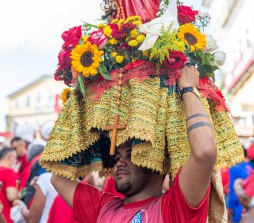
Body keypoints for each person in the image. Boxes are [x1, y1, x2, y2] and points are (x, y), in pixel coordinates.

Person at [51, 66, 217, 222]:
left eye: (130, 154)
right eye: (116, 156)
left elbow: (205, 151)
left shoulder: (174, 208)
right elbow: (58, 177)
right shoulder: (103, 208)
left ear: (156, 159)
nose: (119, 163)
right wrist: (80, 101)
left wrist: (188, 90)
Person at [0, 147, 18, 223]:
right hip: (4, 215)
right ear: (10, 157)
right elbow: (11, 196)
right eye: (15, 158)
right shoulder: (9, 172)